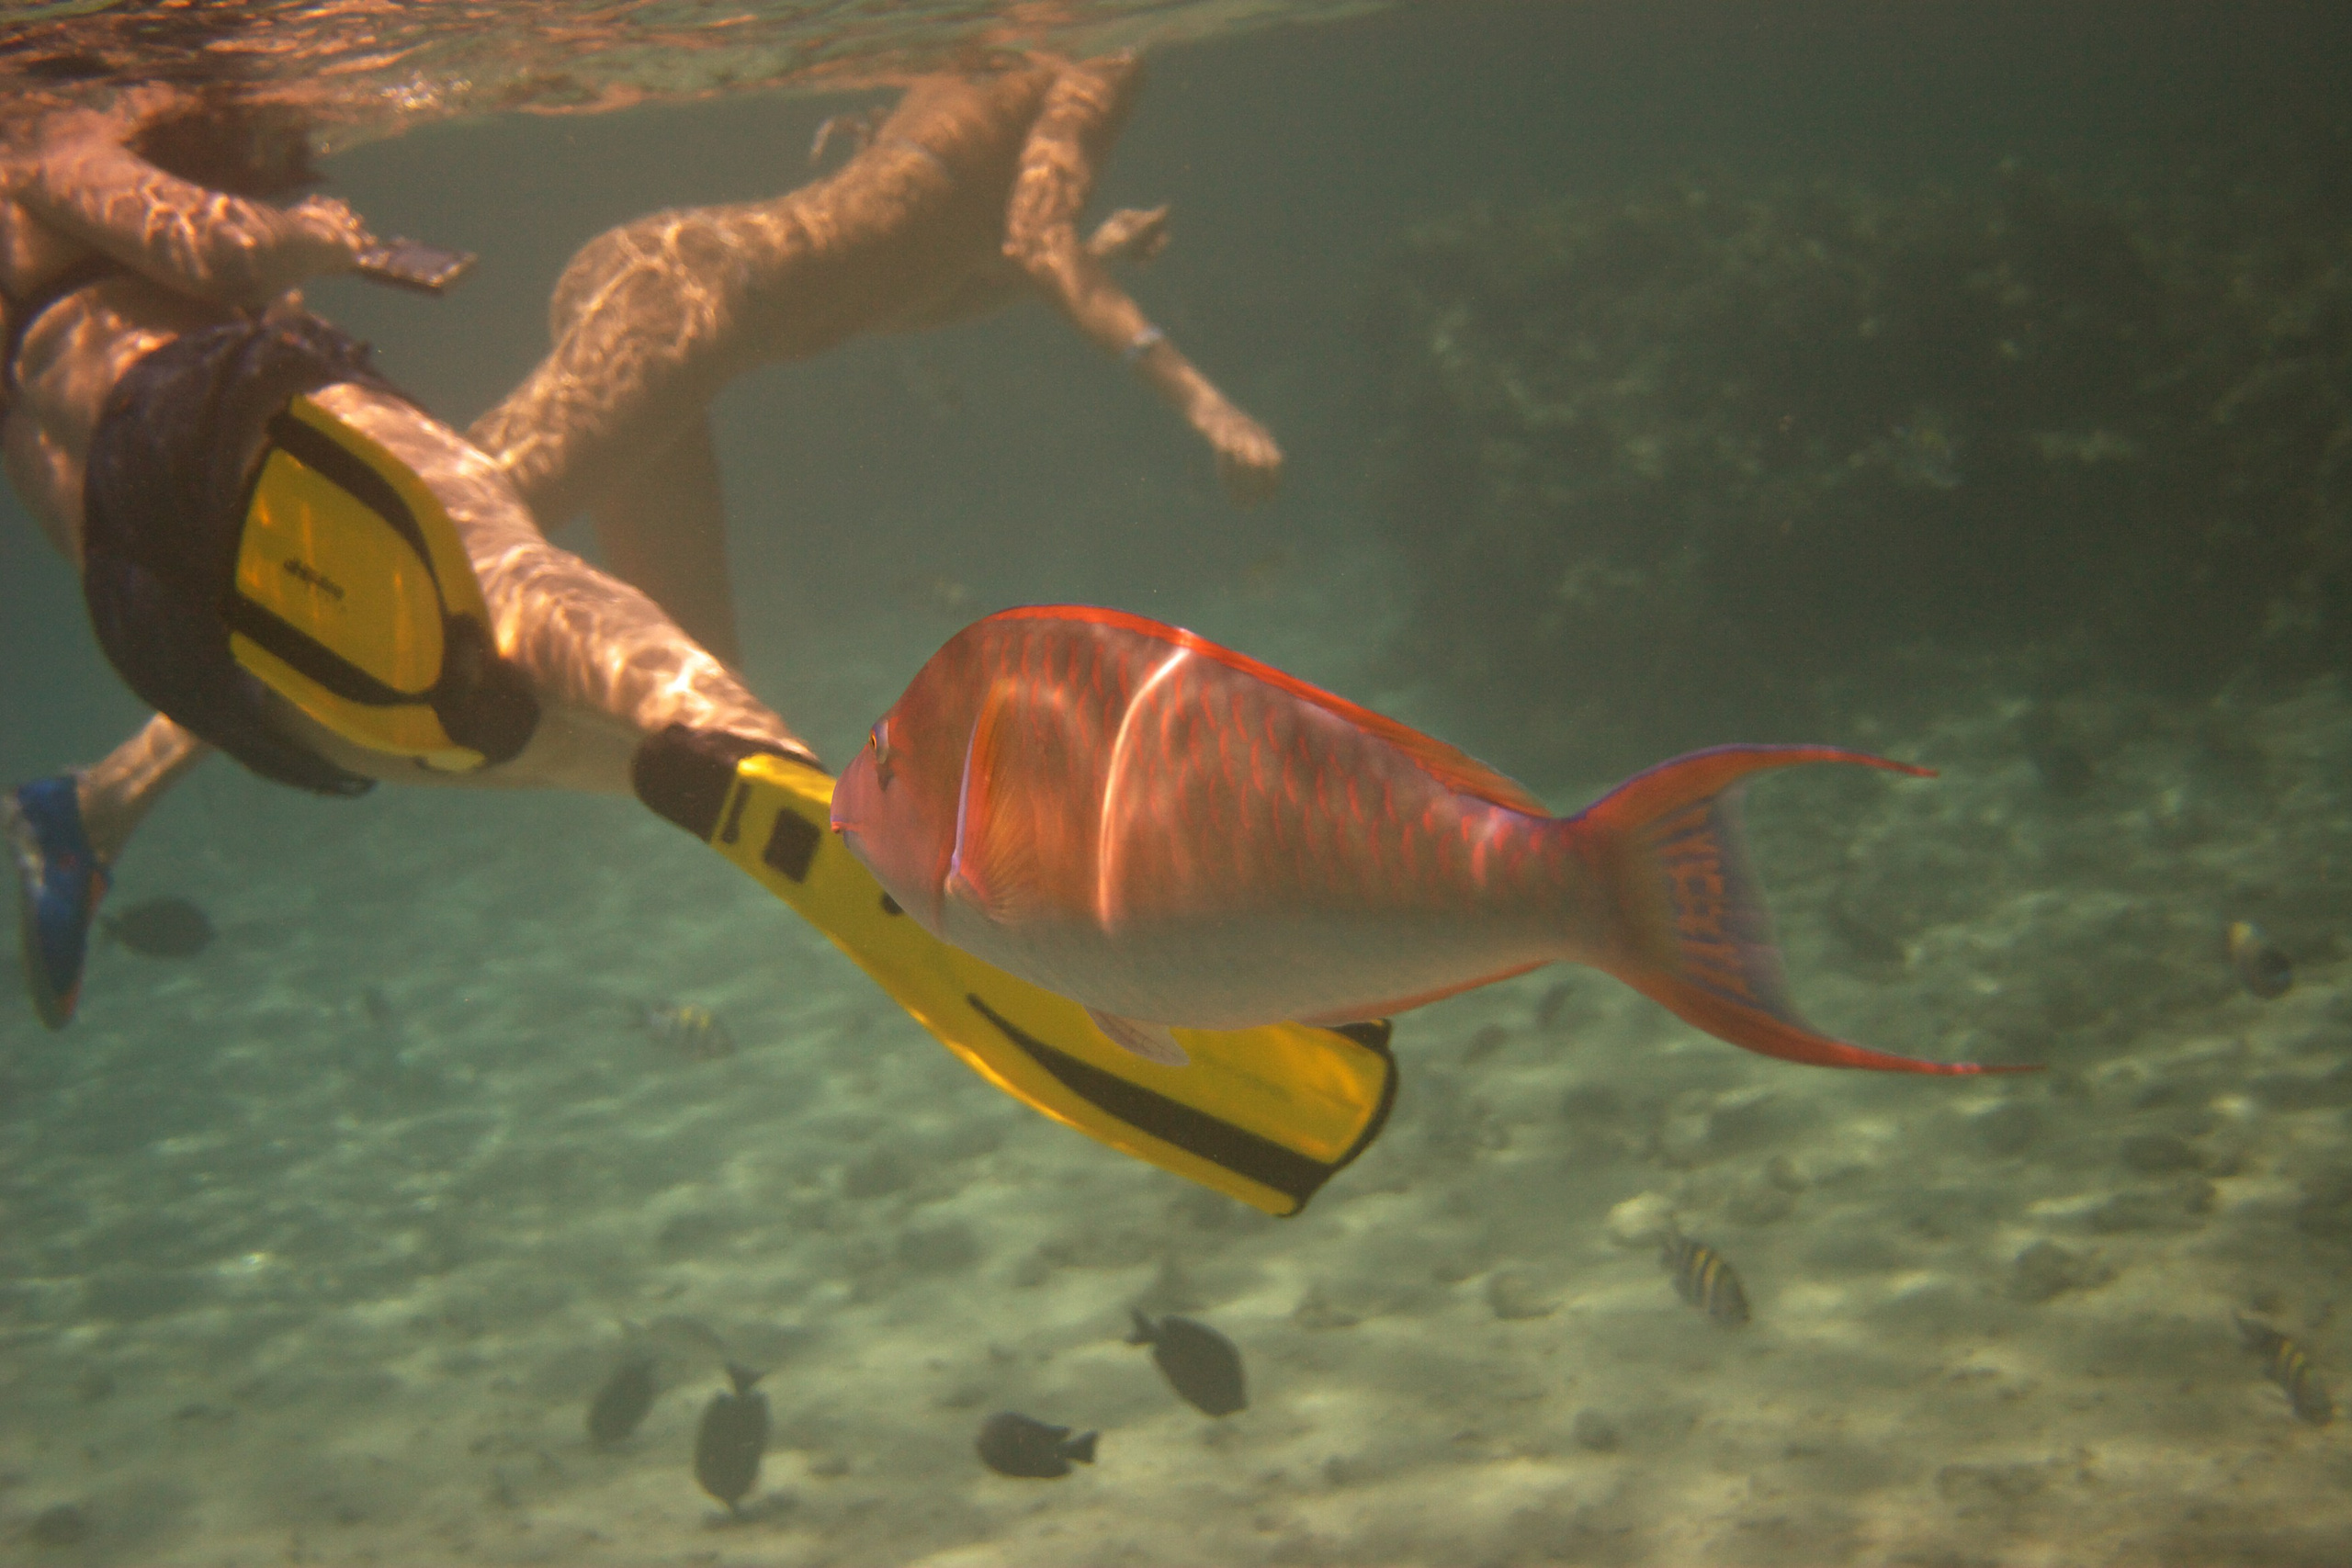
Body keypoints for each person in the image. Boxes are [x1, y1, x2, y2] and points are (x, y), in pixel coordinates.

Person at [2, 81, 1387, 1218]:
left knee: (514, 664)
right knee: (510, 569)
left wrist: (1048, 273)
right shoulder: (1064, 58)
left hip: (160, 621)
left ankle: (99, 798)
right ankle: (777, 789)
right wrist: (301, 228)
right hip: (664, 306)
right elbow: (215, 249)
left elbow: (888, 275)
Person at [472, 49, 1284, 663]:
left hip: (682, 287)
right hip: (693, 295)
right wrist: (1205, 404)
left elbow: (907, 275)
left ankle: (423, 687)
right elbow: (1037, 243)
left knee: (691, 693)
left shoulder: (995, 58)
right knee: (450, 522)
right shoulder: (1097, 58)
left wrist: (1091, 254)